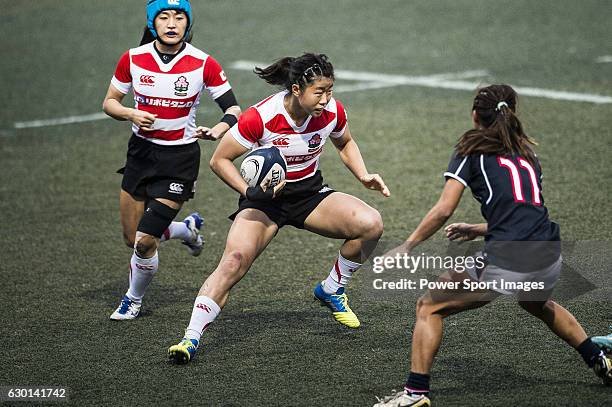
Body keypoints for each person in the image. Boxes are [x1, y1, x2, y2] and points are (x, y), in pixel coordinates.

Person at [374, 85, 612, 406]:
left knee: (428, 307)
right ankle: (598, 357)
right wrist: (478, 228)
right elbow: (525, 209)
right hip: (549, 250)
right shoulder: (528, 153)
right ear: (511, 112)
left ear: (475, 115)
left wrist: (407, 246)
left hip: (511, 256)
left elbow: (444, 209)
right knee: (536, 303)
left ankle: (416, 394)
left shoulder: (470, 149)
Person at [167, 53, 390, 363]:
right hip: (265, 201)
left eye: (330, 90)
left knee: (370, 224)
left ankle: (331, 289)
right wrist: (250, 191)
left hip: (308, 193)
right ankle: (189, 339)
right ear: (296, 89)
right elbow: (219, 160)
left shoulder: (332, 112)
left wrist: (363, 175)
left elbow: (345, 142)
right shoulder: (260, 116)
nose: (326, 99)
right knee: (233, 263)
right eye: (319, 92)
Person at [102, 0, 241, 320]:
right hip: (140, 154)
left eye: (179, 17)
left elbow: (233, 109)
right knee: (131, 237)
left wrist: (219, 128)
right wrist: (130, 112)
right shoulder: (133, 59)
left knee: (144, 241)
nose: (171, 23)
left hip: (179, 158)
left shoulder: (203, 63)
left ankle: (132, 299)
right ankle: (185, 230)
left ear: (187, 23)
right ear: (153, 23)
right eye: (164, 16)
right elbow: (110, 103)